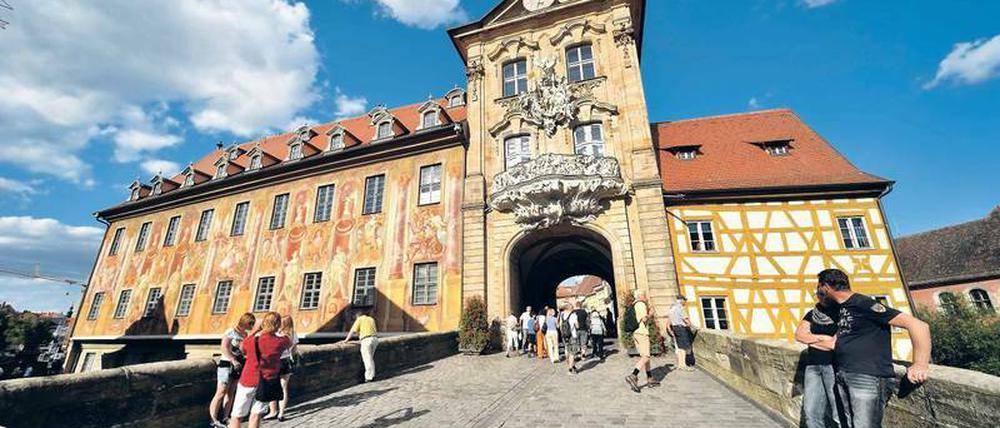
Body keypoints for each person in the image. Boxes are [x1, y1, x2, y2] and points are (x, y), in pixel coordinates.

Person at [816, 268, 932, 428]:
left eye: (819, 287)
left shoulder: (862, 303)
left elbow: (918, 325)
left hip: (867, 376)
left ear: (826, 287)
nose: (819, 292)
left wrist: (920, 364)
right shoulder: (844, 308)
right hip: (846, 374)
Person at [229, 312, 291, 428]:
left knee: (237, 415)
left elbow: (242, 348)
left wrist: (255, 330)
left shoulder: (252, 341)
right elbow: (289, 341)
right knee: (256, 415)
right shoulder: (282, 341)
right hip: (267, 381)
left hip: (248, 380)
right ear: (278, 325)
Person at [795, 291, 840, 428]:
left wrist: (811, 339)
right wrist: (822, 338)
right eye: (818, 294)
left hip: (833, 366)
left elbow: (834, 345)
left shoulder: (841, 314)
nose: (821, 297)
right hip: (813, 366)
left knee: (838, 413)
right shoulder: (812, 314)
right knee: (811, 413)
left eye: (824, 294)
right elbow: (799, 335)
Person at [211, 313, 254, 428]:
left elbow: (244, 351)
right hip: (227, 364)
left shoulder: (245, 334)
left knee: (231, 392)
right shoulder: (231, 331)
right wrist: (232, 359)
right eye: (251, 323)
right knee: (221, 392)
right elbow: (224, 348)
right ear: (246, 322)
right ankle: (214, 419)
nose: (252, 326)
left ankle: (225, 417)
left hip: (239, 365)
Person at [625, 289, 659, 392]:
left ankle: (650, 378)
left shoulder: (634, 305)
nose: (646, 297)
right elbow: (644, 319)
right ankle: (633, 375)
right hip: (642, 332)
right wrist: (650, 314)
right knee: (646, 356)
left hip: (636, 332)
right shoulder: (640, 304)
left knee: (645, 356)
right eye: (644, 295)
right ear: (640, 296)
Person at [267, 316, 299, 422]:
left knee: (272, 386)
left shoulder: (277, 333)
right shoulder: (293, 334)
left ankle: (273, 411)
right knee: (283, 388)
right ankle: (281, 413)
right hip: (286, 361)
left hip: (275, 361)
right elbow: (294, 350)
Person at [341, 309, 379, 382]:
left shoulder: (360, 319)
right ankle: (372, 375)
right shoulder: (371, 319)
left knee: (367, 359)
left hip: (366, 340)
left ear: (357, 315)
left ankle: (369, 377)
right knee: (370, 358)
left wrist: (346, 340)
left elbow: (352, 331)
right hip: (375, 339)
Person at [667, 296, 694, 371]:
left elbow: (669, 320)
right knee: (684, 347)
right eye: (685, 301)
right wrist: (691, 325)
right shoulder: (680, 308)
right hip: (681, 328)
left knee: (679, 346)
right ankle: (683, 365)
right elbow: (685, 319)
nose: (685, 303)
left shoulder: (672, 309)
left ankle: (680, 364)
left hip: (675, 328)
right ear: (682, 301)